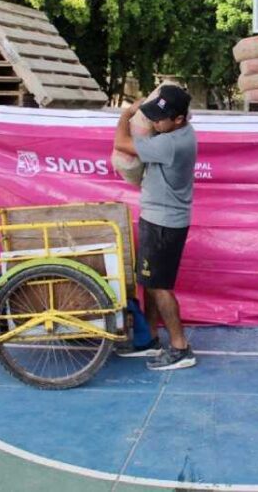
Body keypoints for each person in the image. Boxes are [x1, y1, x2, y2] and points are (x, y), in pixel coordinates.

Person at [113, 84, 198, 371]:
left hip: (165, 224)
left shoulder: (172, 143)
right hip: (157, 218)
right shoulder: (173, 131)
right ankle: (149, 338)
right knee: (149, 281)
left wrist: (125, 117)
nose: (154, 122)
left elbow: (121, 145)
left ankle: (180, 347)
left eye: (159, 119)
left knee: (160, 287)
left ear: (178, 119)